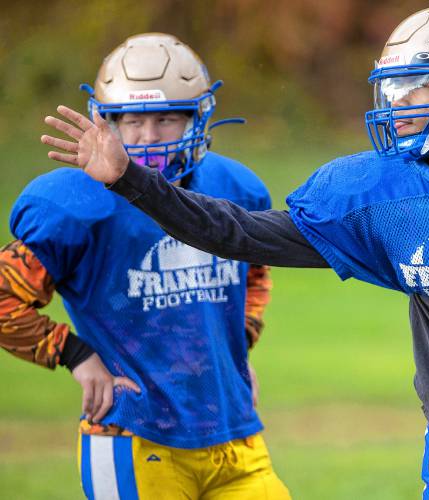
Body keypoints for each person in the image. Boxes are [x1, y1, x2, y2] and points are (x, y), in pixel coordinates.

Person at [41, 7, 429, 499]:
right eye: (392, 87)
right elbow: (234, 233)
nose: (398, 102)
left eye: (417, 85)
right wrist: (130, 180)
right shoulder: (375, 195)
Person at [5, 33, 291, 499]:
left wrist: (235, 349)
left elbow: (253, 274)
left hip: (234, 434)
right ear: (106, 122)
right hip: (133, 436)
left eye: (166, 119)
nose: (148, 137)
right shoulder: (73, 205)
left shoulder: (233, 187)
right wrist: (74, 355)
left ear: (198, 117)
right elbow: (3, 295)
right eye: (131, 120)